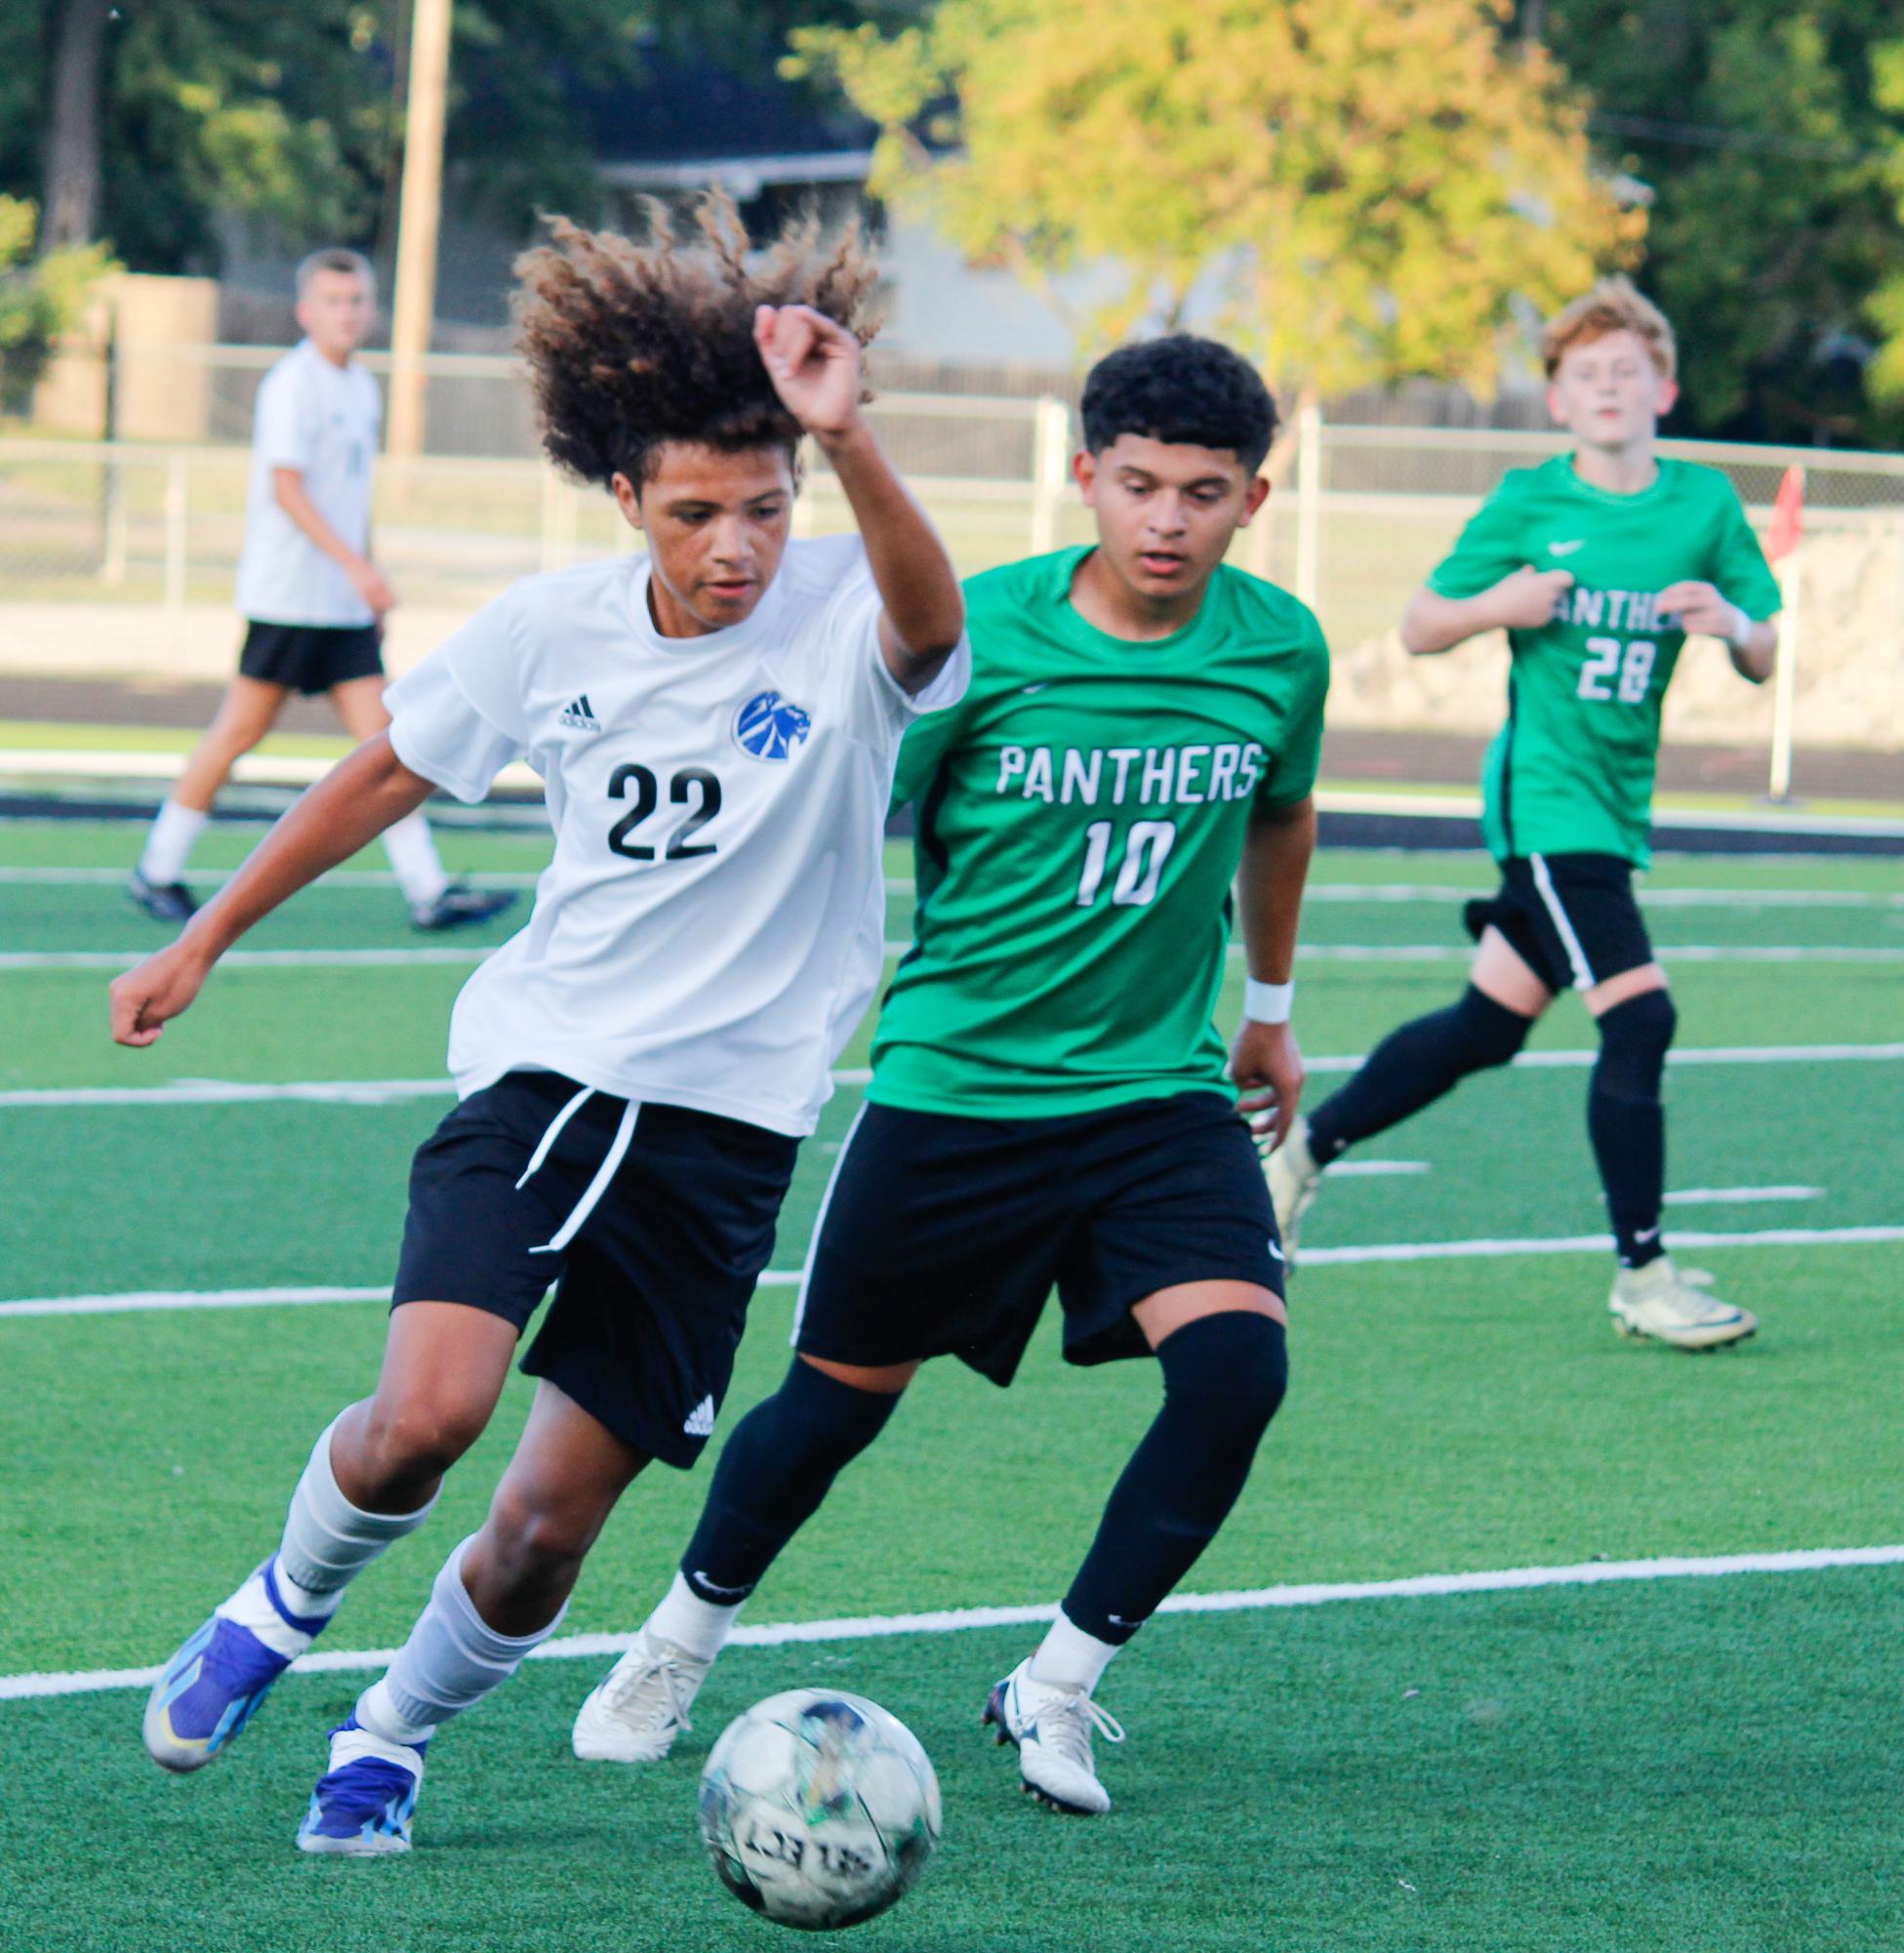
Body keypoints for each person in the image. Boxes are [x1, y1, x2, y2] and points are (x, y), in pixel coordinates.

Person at [111, 198, 967, 1855]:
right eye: (698, 513)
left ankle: (389, 1735)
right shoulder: (546, 628)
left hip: (728, 1137)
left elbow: (930, 633)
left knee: (545, 1533)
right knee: (427, 1413)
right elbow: (382, 772)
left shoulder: (851, 600)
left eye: (765, 509)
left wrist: (845, 435)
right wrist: (209, 929)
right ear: (628, 498)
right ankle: (277, 1609)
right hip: (547, 1075)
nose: (738, 548)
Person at [569, 334, 1327, 1818]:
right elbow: (830, 809)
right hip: (956, 1091)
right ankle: (674, 1638)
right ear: (1081, 476)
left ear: (1252, 497)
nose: (1165, 520)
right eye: (1136, 485)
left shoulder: (1278, 646)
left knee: (1236, 1370)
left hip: (1156, 1097)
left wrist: (1270, 1008)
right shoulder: (978, 634)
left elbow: (1281, 816)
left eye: (1201, 492)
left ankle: (1053, 1683)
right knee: (832, 1407)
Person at [1270, 278, 1780, 1351]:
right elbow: (1417, 627)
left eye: (1625, 370)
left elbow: (1764, 654)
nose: (1606, 387)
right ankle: (1643, 1274)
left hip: (1612, 803)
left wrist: (1730, 621)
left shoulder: (1703, 505)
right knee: (1641, 1018)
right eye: (1583, 373)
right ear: (1555, 399)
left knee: (1485, 1030)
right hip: (1545, 803)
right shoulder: (1526, 502)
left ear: (1664, 389)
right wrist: (1499, 606)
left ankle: (1297, 1157)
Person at [126, 246, 514, 933]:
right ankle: (157, 868)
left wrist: (367, 574)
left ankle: (428, 890)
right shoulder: (291, 385)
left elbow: (350, 501)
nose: (346, 313)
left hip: (339, 605)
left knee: (391, 743)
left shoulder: (361, 387)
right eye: (333, 301)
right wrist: (353, 565)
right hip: (288, 599)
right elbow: (288, 487)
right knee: (238, 732)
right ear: (306, 311)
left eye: (357, 300)